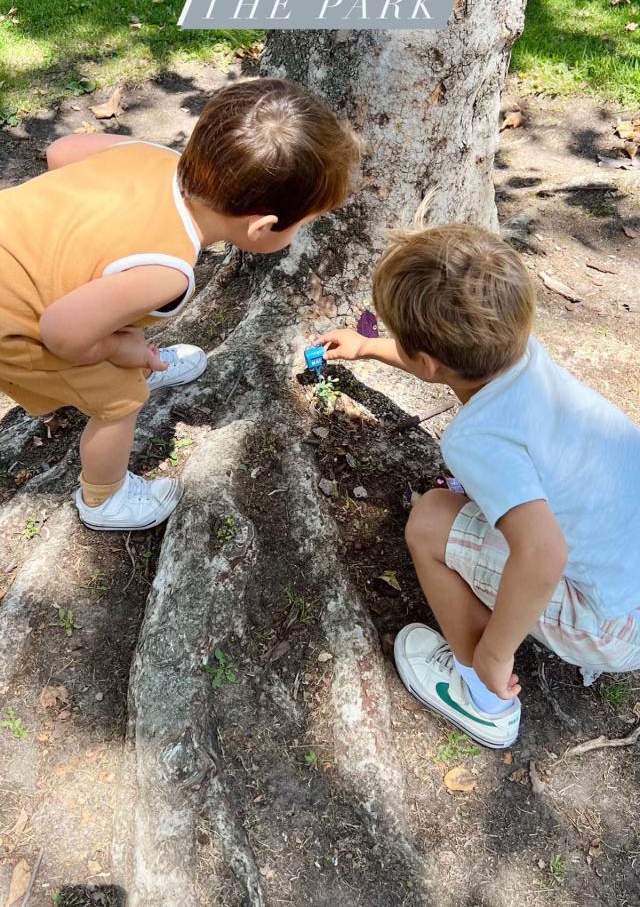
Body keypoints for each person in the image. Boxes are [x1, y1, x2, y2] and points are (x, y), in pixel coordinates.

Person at [320, 223, 640, 748]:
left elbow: (543, 553)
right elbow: (444, 363)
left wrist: (496, 652)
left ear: (428, 362)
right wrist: (369, 348)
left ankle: (482, 698)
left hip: (613, 625)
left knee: (429, 520)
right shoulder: (521, 353)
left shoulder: (478, 437)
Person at [0, 77, 360, 532]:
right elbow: (61, 333)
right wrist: (119, 352)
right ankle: (104, 497)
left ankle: (136, 358)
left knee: (109, 302)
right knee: (121, 399)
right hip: (15, 319)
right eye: (304, 224)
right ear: (262, 228)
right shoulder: (167, 271)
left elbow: (63, 151)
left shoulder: (152, 156)